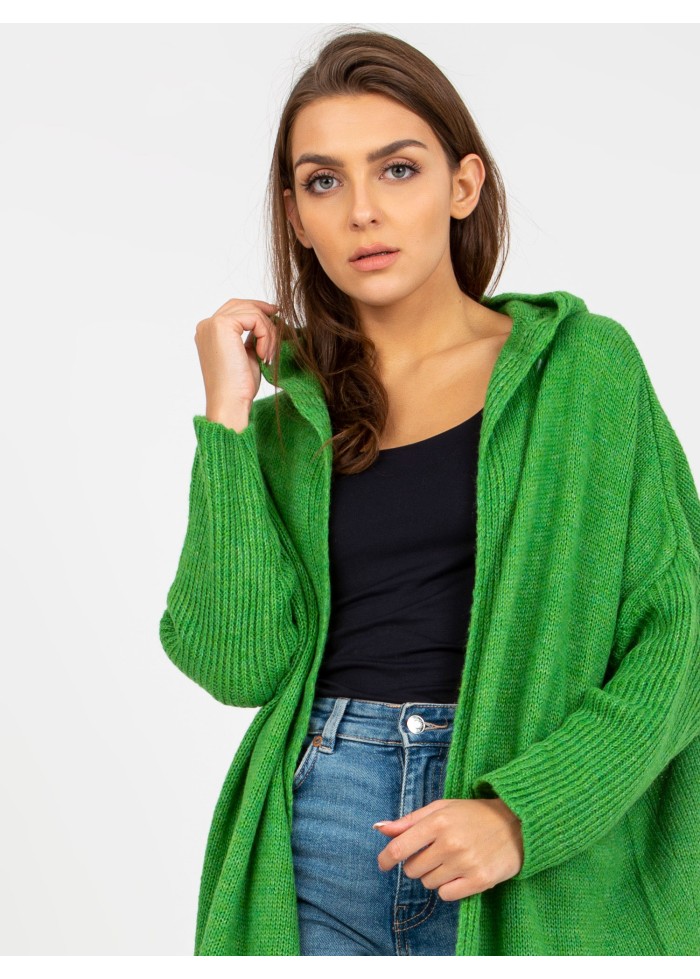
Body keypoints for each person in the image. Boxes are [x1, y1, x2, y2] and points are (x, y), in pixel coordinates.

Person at [158, 28, 700, 956]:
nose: (362, 211)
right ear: (296, 216)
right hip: (322, 827)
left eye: (398, 169)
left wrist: (525, 811)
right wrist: (228, 417)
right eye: (323, 181)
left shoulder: (582, 370)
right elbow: (235, 663)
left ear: (464, 184)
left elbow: (681, 632)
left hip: (526, 829)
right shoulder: (287, 427)